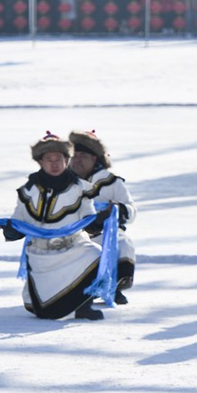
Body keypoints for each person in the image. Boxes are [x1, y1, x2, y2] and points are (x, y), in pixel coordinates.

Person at [1, 131, 109, 321]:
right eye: (49, 159)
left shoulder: (81, 189)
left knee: (95, 254)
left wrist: (98, 221)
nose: (54, 164)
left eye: (58, 159)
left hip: (72, 249)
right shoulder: (28, 190)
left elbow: (89, 219)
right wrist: (11, 230)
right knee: (44, 312)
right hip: (40, 254)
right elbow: (19, 220)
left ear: (66, 160)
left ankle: (84, 306)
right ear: (40, 162)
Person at [69, 129, 137, 305]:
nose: (77, 160)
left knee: (122, 242)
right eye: (73, 155)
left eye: (83, 155)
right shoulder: (62, 181)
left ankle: (115, 286)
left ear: (95, 159)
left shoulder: (111, 182)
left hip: (106, 233)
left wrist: (117, 210)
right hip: (73, 235)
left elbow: (131, 210)